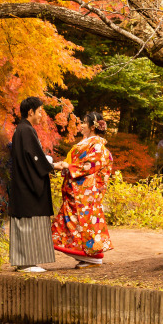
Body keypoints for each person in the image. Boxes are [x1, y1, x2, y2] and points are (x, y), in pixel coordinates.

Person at [9, 96, 65, 273]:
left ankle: (24, 261)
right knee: (28, 221)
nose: (41, 115)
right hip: (27, 185)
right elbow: (35, 158)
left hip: (22, 183)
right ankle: (27, 262)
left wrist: (48, 163)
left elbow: (33, 156)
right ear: (30, 111)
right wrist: (53, 165)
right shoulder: (26, 130)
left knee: (26, 222)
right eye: (39, 111)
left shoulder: (22, 130)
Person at [51, 111, 113, 267]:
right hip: (77, 189)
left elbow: (91, 165)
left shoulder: (97, 144)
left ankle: (92, 256)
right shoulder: (87, 142)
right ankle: (87, 256)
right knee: (76, 223)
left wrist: (69, 166)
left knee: (83, 223)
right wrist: (66, 166)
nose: (82, 125)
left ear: (92, 126)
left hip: (85, 192)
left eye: (84, 122)